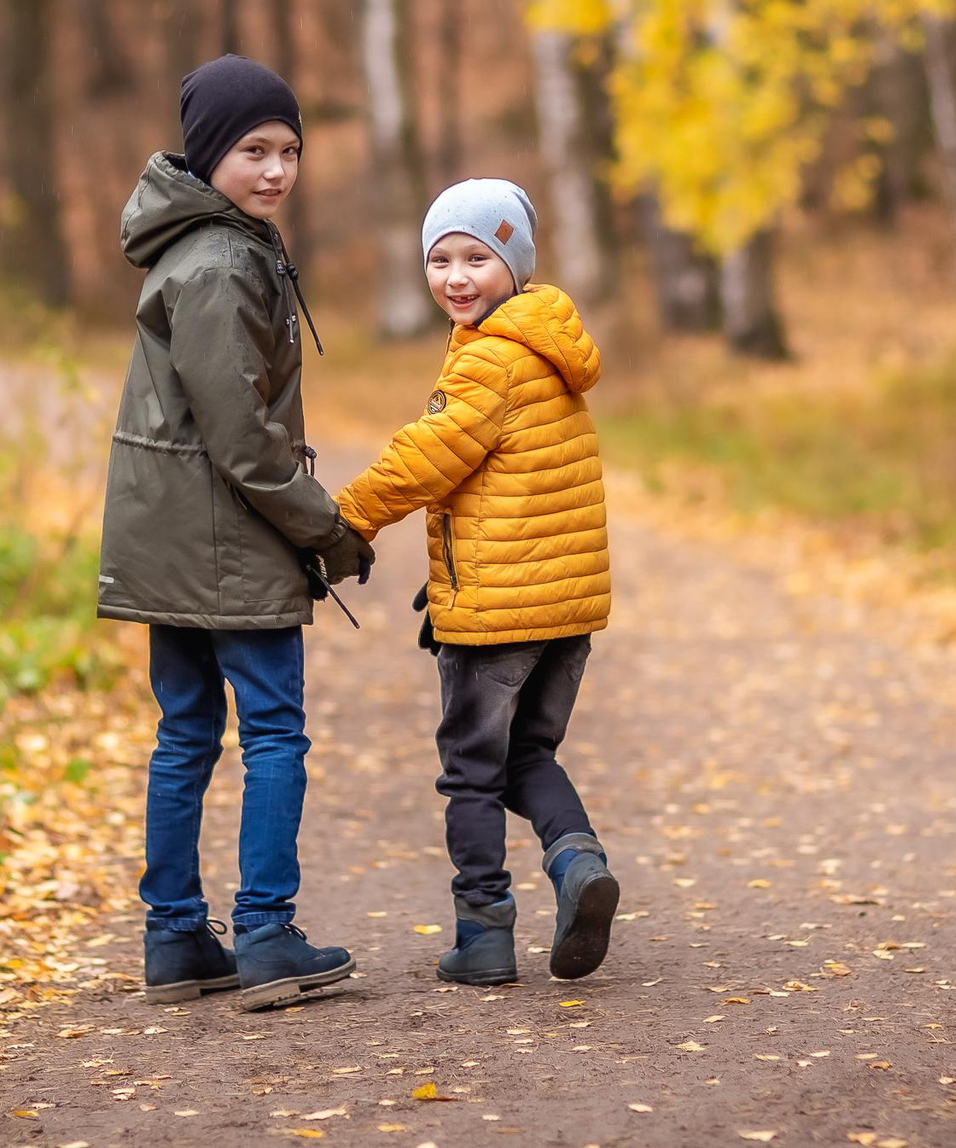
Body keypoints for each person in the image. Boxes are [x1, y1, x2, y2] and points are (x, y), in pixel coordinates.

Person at [98, 54, 372, 1011]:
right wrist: (327, 529)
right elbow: (242, 441)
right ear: (210, 151)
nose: (276, 170)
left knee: (185, 731)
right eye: (254, 149)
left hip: (177, 537)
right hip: (222, 537)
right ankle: (263, 931)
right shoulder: (219, 262)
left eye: (290, 149)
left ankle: (176, 939)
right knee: (272, 730)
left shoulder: (212, 243)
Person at [333, 178, 617, 987]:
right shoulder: (546, 348)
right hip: (566, 610)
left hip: (498, 615)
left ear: (514, 267)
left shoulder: (490, 358)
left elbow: (429, 454)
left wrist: (348, 515)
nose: (457, 277)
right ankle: (577, 864)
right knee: (529, 752)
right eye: (440, 259)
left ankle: (484, 931)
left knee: (471, 769)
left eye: (478, 258)